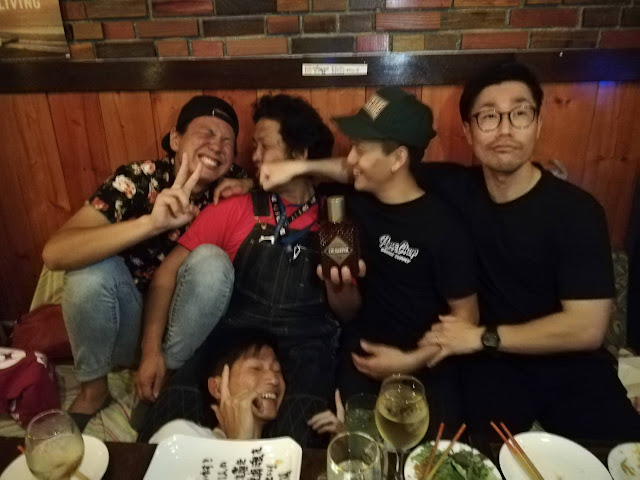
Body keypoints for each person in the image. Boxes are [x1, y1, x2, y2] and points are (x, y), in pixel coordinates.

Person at [410, 62, 640, 440]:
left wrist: (482, 336)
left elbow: (587, 328)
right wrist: (304, 168)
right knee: (474, 458)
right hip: (491, 370)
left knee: (624, 455)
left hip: (570, 365)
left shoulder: (577, 211)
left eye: (519, 113)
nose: (504, 129)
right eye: (488, 116)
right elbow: (377, 168)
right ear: (468, 131)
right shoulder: (453, 187)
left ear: (538, 124)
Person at [259, 87, 479, 436]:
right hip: (359, 359)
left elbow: (467, 318)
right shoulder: (353, 204)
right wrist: (337, 286)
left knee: (430, 457)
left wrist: (410, 363)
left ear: (397, 159)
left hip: (426, 367)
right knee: (349, 447)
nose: (350, 159)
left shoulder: (443, 227)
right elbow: (348, 312)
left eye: (360, 149)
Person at [136, 94, 339, 447]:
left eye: (264, 146)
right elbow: (167, 275)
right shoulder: (235, 206)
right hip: (233, 341)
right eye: (253, 146)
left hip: (306, 348)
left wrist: (341, 285)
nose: (254, 157)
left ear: (300, 154)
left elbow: (357, 170)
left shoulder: (335, 219)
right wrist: (152, 352)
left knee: (299, 441)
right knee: (172, 421)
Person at [41, 95, 249, 428]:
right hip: (122, 322)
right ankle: (93, 389)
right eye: (206, 133)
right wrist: (150, 224)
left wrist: (249, 183)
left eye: (227, 142)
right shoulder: (138, 179)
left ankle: (162, 381)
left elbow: (281, 184)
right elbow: (55, 253)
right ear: (176, 139)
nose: (217, 146)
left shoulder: (232, 187)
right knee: (89, 271)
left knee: (213, 261)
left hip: (182, 331)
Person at [147, 329, 285, 443]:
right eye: (256, 369)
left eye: (277, 370)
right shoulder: (180, 436)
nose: (274, 379)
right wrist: (239, 441)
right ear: (217, 388)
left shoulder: (286, 453)